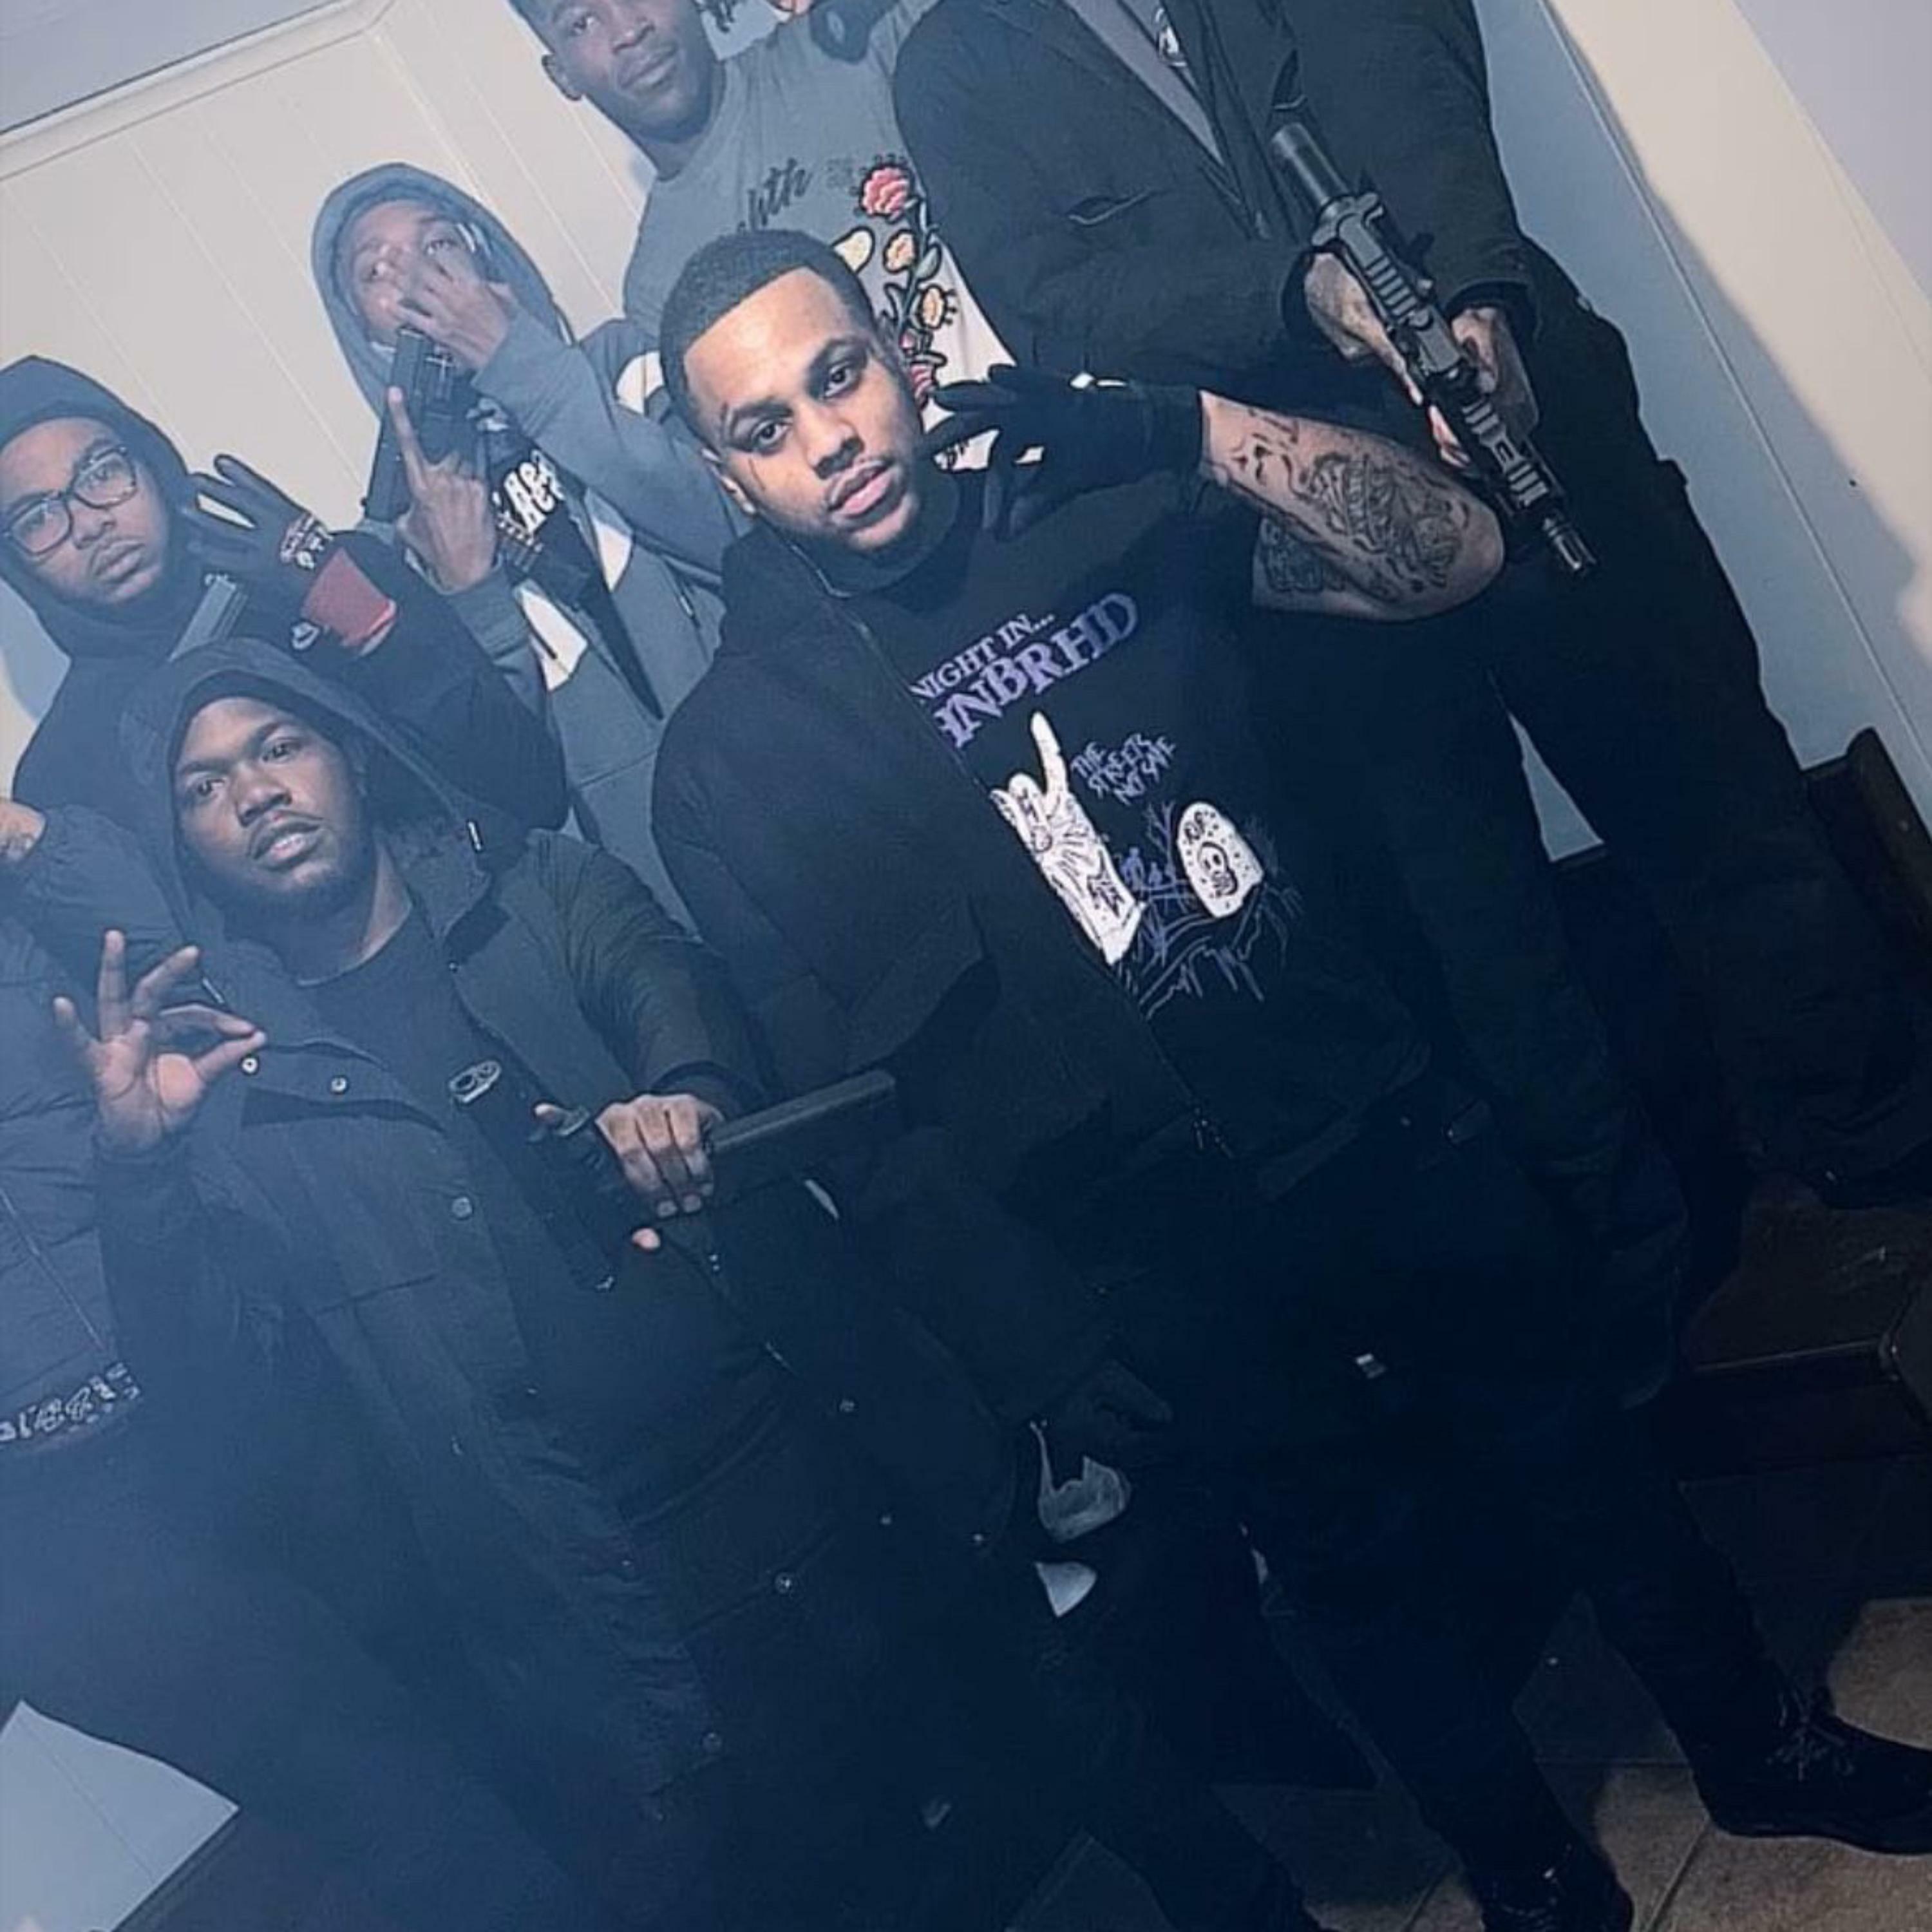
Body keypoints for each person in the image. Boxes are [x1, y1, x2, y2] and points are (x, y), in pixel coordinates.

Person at [647, 227, 1932, 1932]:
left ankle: (1761, 1744)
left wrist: (1186, 429)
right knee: (1349, 1572)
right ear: (722, 475)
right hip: (1157, 1249)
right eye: (766, 428)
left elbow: (1454, 554)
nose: (830, 441)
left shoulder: (1092, 506)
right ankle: (1533, 1879)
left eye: (839, 376)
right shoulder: (726, 768)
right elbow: (873, 1134)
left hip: (1371, 1096)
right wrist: (1047, 1355)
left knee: (1581, 1440)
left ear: (899, 350)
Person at [73, 634, 1323, 1931]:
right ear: (182, 848)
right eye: (204, 787)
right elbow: (224, 1398)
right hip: (650, 1590)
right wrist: (139, 1172)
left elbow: (664, 981)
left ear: (350, 751)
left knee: (1099, 1757)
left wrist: (684, 1094)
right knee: (861, 1893)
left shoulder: (532, 888)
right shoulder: (236, 1096)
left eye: (278, 745)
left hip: (834, 1448)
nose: (256, 793)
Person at [892, 0, 1932, 1237]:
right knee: (1471, 926)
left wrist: (1479, 301)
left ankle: (1885, 1161)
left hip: (1506, 389)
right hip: (1284, 494)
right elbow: (1056, 303)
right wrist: (1295, 295)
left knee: (1716, 802)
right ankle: (1648, 1277)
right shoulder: (955, 63)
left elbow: (1415, 86)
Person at [0, 796, 615, 1932]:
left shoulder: (32, 885)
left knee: (513, 1703)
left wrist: (18, 835)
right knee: (398, 1813)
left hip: (240, 1368)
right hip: (65, 1525)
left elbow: (176, 948)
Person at [312, 164, 743, 916]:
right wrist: (471, 592)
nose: (417, 282)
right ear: (358, 327)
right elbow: (498, 780)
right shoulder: (397, 537)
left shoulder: (621, 367)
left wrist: (525, 369)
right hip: (649, 881)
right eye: (377, 271)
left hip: (792, 750)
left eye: (439, 245)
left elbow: (731, 535)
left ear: (487, 260)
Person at [0, 355, 566, 835]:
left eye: (101, 472)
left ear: (153, 465)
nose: (89, 523)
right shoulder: (63, 773)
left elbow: (531, 789)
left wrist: (354, 610)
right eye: (36, 517)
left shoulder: (332, 573)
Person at [507, 0, 1005, 394]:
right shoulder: (658, 285)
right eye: (581, 23)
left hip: (1034, 408)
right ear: (562, 76)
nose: (629, 31)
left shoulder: (849, 46)